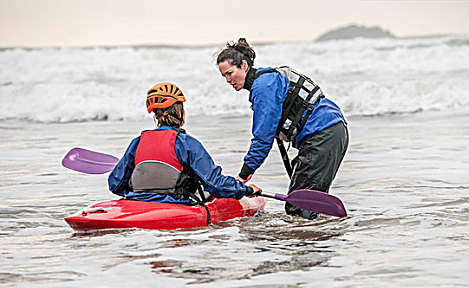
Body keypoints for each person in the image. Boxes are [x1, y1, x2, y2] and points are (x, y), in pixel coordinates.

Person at [216, 38, 348, 219]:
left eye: (230, 73)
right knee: (304, 206)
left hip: (323, 135)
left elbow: (262, 139)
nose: (228, 80)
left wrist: (243, 176)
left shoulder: (264, 86)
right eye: (224, 76)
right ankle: (320, 238)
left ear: (244, 66)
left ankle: (311, 245)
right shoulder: (266, 81)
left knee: (297, 210)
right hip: (330, 132)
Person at [108, 82, 261, 205]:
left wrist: (146, 192)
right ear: (179, 110)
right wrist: (245, 189)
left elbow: (115, 184)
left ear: (155, 114)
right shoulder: (186, 143)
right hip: (175, 205)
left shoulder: (138, 142)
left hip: (137, 203)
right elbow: (215, 184)